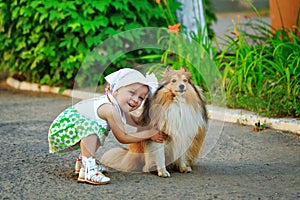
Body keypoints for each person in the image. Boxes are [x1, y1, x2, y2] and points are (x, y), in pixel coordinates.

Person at [48, 68, 167, 185]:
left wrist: (156, 121)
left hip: (71, 127)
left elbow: (136, 121)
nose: (136, 99)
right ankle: (88, 169)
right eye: (132, 92)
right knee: (92, 129)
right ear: (115, 90)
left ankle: (82, 163)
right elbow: (123, 137)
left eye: (141, 97)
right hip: (62, 130)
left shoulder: (117, 105)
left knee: (99, 131)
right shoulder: (110, 109)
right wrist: (149, 134)